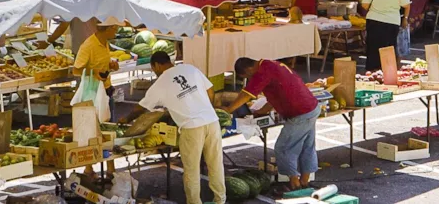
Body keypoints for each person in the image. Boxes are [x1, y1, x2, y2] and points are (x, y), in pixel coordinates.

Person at [122, 52, 225, 204]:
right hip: (212, 121)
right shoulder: (190, 69)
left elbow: (141, 108)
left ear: (156, 65)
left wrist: (126, 119)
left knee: (191, 171)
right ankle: (220, 200)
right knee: (216, 165)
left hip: (191, 127)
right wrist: (204, 108)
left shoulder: (161, 82)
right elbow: (210, 91)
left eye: (153, 69)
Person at [221, 58, 320, 190]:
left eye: (248, 76)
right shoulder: (270, 64)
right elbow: (277, 93)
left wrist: (228, 110)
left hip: (300, 113)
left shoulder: (262, 72)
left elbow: (246, 94)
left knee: (283, 148)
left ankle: (294, 184)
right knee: (307, 146)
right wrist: (262, 111)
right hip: (310, 107)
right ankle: (304, 182)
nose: (250, 79)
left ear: (249, 69)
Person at [73, 20, 121, 118]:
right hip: (93, 93)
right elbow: (76, 71)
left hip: (106, 90)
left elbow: (99, 63)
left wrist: (111, 66)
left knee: (108, 126)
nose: (116, 32)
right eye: (115, 29)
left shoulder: (105, 43)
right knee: (95, 126)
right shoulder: (88, 46)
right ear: (108, 29)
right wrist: (93, 72)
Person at [359, 0, 411, 71]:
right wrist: (405, 18)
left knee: (373, 47)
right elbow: (407, 5)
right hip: (392, 22)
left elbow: (365, 5)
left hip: (374, 21)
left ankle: (372, 70)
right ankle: (388, 71)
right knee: (389, 47)